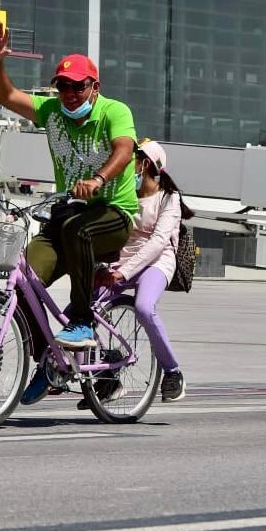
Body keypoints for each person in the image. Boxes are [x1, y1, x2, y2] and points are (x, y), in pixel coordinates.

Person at [0, 22, 137, 405]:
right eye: (63, 86)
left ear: (94, 87)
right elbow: (6, 95)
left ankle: (83, 322)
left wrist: (99, 179)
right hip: (69, 215)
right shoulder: (51, 111)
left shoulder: (113, 111)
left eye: (77, 86)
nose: (69, 94)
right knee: (24, 281)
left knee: (78, 231)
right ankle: (50, 362)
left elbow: (124, 149)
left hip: (112, 214)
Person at [86, 139, 191, 405]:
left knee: (144, 307)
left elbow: (157, 242)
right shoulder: (122, 192)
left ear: (145, 164)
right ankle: (106, 374)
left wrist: (124, 273)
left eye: (131, 159)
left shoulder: (170, 199)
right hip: (121, 261)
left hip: (157, 261)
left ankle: (172, 372)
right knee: (81, 310)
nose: (124, 164)